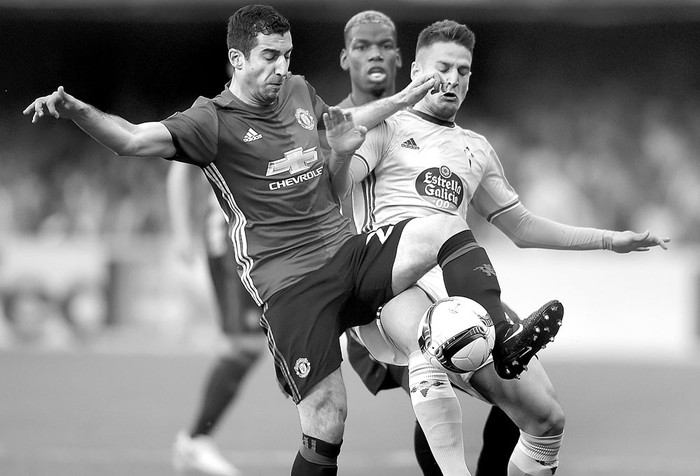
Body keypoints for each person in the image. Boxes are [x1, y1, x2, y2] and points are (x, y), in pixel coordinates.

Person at [24, 5, 568, 474]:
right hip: (290, 285)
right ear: (238, 59)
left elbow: (348, 118)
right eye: (268, 56)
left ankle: (502, 338)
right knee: (329, 422)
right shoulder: (210, 120)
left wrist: (399, 100)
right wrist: (76, 110)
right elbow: (131, 140)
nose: (280, 67)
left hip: (347, 256)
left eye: (285, 54)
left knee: (442, 226)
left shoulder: (302, 92)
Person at [340, 19, 670, 475]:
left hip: (453, 285)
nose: (452, 79)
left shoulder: (475, 148)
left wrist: (609, 240)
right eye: (442, 68)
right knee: (434, 347)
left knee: (546, 418)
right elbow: (334, 177)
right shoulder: (384, 129)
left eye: (463, 70)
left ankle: (501, 352)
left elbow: (521, 225)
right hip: (389, 283)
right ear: (416, 70)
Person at [336, 10, 520, 476]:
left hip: (442, 285)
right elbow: (322, 189)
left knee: (508, 378)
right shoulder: (354, 127)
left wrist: (604, 239)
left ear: (398, 58)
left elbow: (519, 223)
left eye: (383, 45)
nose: (374, 54)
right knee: (435, 365)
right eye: (362, 46)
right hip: (380, 290)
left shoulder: (462, 142)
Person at [167, 160, 264, 476]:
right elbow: (179, 167)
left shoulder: (291, 110)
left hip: (265, 235)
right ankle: (196, 440)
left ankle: (196, 440)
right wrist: (181, 231)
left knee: (248, 346)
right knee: (245, 345)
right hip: (234, 235)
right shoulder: (216, 109)